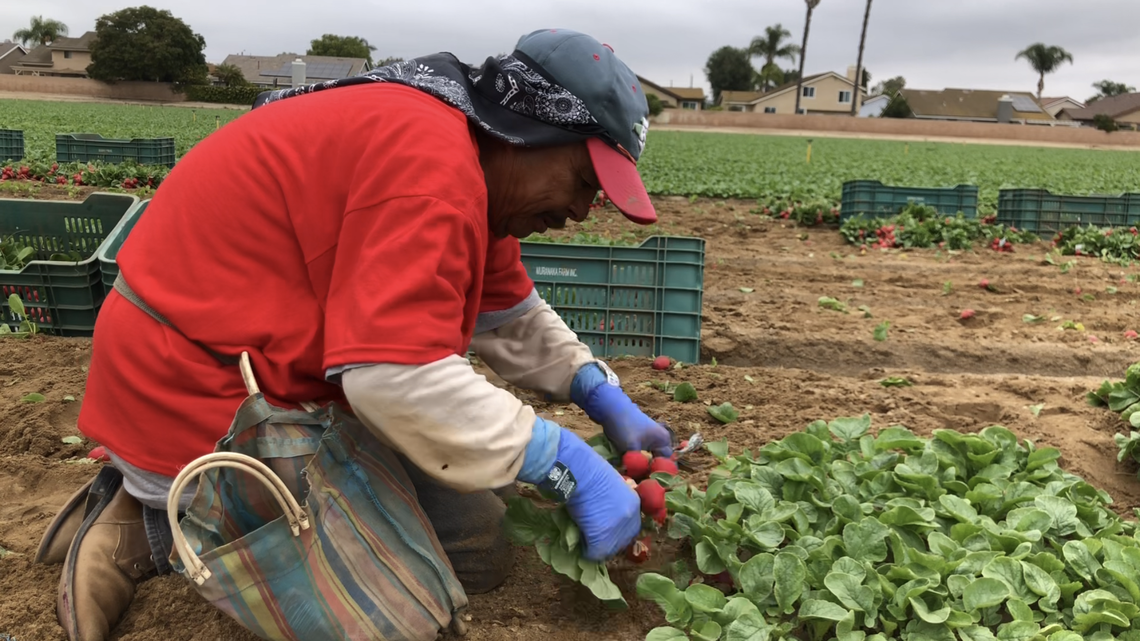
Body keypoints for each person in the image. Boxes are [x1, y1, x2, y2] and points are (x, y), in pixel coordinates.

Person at [34, 28, 674, 641]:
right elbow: (395, 376)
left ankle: (172, 496)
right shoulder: (428, 164)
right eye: (585, 182)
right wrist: (565, 464)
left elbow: (506, 313)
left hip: (279, 373)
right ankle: (153, 513)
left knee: (484, 524)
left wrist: (597, 391)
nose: (582, 212)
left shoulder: (467, 165)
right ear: (532, 130)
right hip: (199, 390)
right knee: (425, 592)